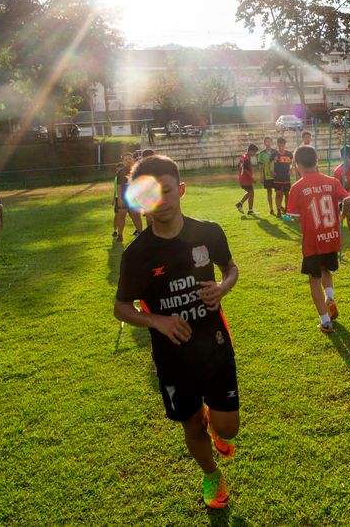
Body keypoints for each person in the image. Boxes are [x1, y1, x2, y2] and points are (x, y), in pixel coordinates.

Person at [113, 155, 240, 509]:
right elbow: (120, 308)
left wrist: (223, 288)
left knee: (227, 428)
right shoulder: (136, 255)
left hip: (215, 345)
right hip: (172, 357)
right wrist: (157, 321)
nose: (161, 201)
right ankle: (212, 476)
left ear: (181, 190)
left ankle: (219, 431)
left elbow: (230, 268)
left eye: (167, 191)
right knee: (192, 424)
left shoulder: (208, 232)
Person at [286, 146, 350, 333]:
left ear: (297, 164)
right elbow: (347, 200)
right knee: (326, 269)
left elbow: (294, 215)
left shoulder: (297, 187)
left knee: (314, 279)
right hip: (331, 237)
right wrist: (341, 217)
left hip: (313, 242)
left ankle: (325, 322)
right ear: (317, 161)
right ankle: (330, 298)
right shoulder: (332, 181)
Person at [114, 152, 144, 242]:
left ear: (133, 160)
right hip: (124, 198)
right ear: (123, 162)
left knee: (136, 216)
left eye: (129, 159)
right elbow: (118, 186)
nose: (128, 161)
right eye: (125, 159)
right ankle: (120, 235)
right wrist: (119, 198)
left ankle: (140, 233)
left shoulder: (137, 170)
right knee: (121, 216)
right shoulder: (121, 172)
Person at [270, 137, 293, 217]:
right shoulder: (274, 154)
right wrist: (271, 170)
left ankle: (287, 209)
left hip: (286, 177)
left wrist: (291, 168)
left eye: (282, 144)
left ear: (285, 144)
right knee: (278, 194)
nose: (281, 145)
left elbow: (291, 163)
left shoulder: (289, 154)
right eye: (280, 144)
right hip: (277, 177)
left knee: (287, 194)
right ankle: (279, 210)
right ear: (278, 144)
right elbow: (269, 162)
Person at [235, 144, 259, 215]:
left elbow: (239, 166)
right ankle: (248, 209)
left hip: (243, 179)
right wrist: (252, 179)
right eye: (254, 152)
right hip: (246, 179)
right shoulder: (247, 158)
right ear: (251, 151)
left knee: (250, 193)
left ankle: (242, 205)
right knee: (251, 193)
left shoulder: (243, 157)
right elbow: (246, 170)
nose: (254, 154)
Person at [257, 137, 276, 216]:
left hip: (276, 175)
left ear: (271, 142)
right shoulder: (262, 153)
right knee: (269, 192)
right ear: (264, 143)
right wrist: (261, 176)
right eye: (266, 142)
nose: (268, 143)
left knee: (279, 192)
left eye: (269, 141)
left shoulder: (275, 152)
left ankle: (279, 207)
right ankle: (271, 209)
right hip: (267, 176)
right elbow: (260, 166)